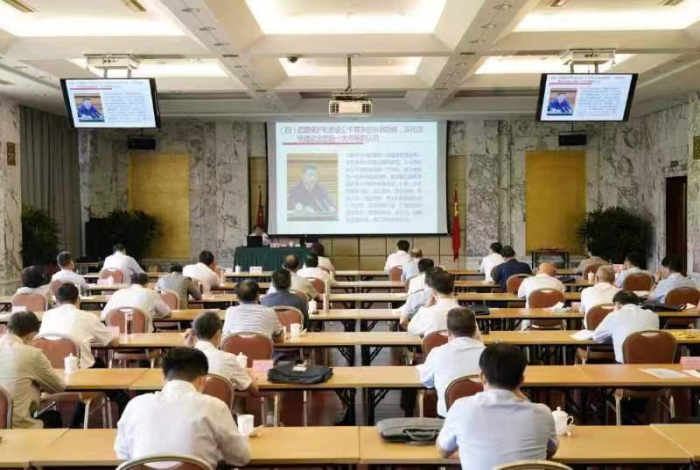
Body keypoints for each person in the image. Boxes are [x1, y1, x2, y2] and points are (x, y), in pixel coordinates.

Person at [115, 347, 251, 469]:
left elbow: (123, 455)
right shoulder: (215, 407)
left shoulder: (135, 405)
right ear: (203, 380)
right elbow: (241, 458)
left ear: (163, 378)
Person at [437, 343, 558, 470]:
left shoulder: (461, 408)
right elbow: (550, 451)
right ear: (522, 380)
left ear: (482, 377)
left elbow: (443, 451)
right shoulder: (543, 413)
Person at [0, 311, 66, 429]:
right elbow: (58, 387)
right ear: (32, 336)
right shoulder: (31, 354)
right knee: (54, 417)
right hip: (16, 429)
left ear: (6, 328)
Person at [417, 307, 485, 417]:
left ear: (448, 332)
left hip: (447, 419)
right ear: (475, 330)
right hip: (482, 418)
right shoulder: (489, 355)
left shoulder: (437, 353)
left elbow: (426, 382)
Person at [40, 283, 119, 369]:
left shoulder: (46, 315)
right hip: (80, 369)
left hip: (50, 368)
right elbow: (112, 342)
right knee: (100, 364)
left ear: (56, 301)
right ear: (78, 300)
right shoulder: (89, 317)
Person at [184, 311, 258, 395]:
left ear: (195, 333)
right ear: (218, 334)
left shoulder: (181, 361)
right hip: (218, 403)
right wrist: (250, 374)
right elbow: (254, 391)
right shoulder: (228, 359)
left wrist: (187, 348)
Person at [592, 291, 660, 363]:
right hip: (653, 362)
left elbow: (597, 337)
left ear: (617, 304)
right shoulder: (653, 315)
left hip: (626, 365)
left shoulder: (614, 315)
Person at [101, 273, 171, 332]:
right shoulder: (150, 293)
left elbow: (103, 316)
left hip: (116, 336)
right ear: (146, 284)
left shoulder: (118, 293)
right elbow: (166, 313)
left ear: (130, 283)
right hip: (143, 336)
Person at [407, 271, 465, 336]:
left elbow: (411, 330)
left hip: (432, 343)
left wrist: (425, 307)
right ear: (453, 289)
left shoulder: (426, 313)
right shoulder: (465, 314)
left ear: (434, 291)